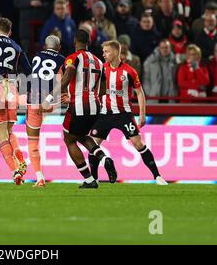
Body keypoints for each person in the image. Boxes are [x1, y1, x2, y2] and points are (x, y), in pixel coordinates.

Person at [89, 40, 168, 185]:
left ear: (115, 52)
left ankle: (157, 176)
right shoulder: (101, 69)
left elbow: (140, 93)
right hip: (104, 114)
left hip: (124, 114)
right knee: (93, 145)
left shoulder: (129, 71)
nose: (103, 54)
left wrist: (142, 114)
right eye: (103, 51)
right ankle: (93, 179)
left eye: (106, 51)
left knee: (138, 144)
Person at [57, 29, 117, 188]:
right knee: (82, 136)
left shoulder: (73, 58)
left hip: (78, 105)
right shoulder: (99, 61)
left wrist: (52, 95)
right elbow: (104, 88)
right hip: (95, 106)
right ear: (89, 42)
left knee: (69, 139)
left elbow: (68, 75)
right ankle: (104, 159)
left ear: (74, 41)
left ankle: (89, 180)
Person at [0, 17, 31, 185]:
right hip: (12, 91)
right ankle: (19, 156)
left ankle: (15, 171)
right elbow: (29, 70)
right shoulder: (17, 47)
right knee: (9, 133)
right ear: (10, 32)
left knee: (1, 136)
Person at [26, 35, 65, 187]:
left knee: (33, 141)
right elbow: (64, 79)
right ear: (59, 47)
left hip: (34, 101)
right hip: (52, 102)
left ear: (44, 46)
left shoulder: (36, 56)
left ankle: (39, 177)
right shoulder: (62, 59)